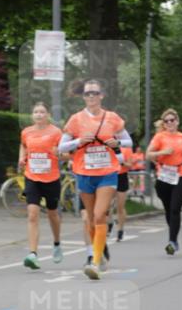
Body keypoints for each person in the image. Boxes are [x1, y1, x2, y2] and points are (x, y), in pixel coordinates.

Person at [59, 79, 132, 280]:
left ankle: (95, 261)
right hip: (84, 173)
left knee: (100, 215)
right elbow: (61, 147)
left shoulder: (112, 118)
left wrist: (117, 142)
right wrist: (78, 141)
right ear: (83, 97)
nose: (91, 97)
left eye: (94, 93)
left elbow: (129, 141)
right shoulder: (75, 119)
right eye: (87, 94)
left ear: (102, 95)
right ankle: (96, 254)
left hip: (107, 172)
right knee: (90, 219)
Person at [18, 103, 63, 270]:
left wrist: (58, 152)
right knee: (32, 214)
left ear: (48, 115)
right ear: (32, 115)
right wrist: (22, 158)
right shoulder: (26, 132)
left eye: (42, 112)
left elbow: (65, 153)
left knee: (52, 213)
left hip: (51, 178)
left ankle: (57, 243)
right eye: (35, 112)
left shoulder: (56, 132)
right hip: (32, 176)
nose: (38, 114)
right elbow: (23, 146)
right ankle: (33, 254)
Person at [146, 108, 182, 254]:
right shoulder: (160, 137)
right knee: (168, 209)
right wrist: (162, 153)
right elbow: (148, 155)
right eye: (167, 121)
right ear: (164, 124)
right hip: (164, 176)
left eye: (172, 120)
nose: (170, 123)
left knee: (175, 209)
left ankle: (172, 242)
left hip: (181, 174)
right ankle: (173, 236)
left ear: (177, 122)